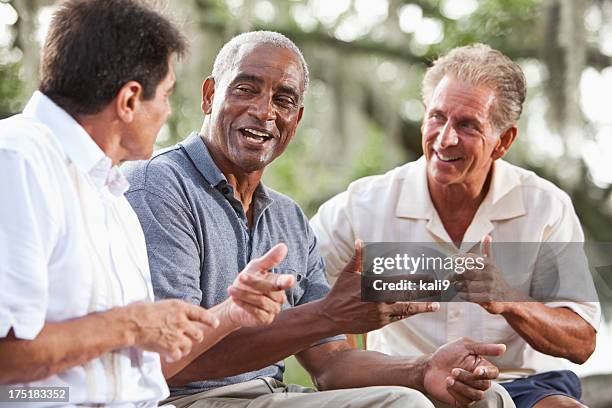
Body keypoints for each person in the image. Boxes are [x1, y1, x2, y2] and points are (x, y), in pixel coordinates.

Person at [123, 31, 515, 408]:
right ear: (210, 95)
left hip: (273, 394)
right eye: (246, 89)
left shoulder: (288, 217)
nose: (265, 111)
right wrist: (328, 314)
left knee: (487, 398)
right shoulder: (159, 184)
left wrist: (424, 369)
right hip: (188, 399)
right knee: (403, 404)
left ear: (297, 118)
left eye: (284, 99)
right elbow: (171, 360)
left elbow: (329, 364)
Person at [0, 1, 292, 405]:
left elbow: (148, 368)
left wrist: (230, 313)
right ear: (129, 100)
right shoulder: (17, 161)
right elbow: (7, 362)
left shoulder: (110, 193)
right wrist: (132, 324)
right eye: (167, 95)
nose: (169, 112)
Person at [311, 43, 600, 408]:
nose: (445, 138)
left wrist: (511, 300)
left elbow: (582, 341)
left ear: (504, 141)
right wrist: (338, 361)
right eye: (437, 117)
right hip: (404, 384)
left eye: (467, 125)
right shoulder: (363, 204)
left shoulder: (545, 206)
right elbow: (300, 290)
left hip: (519, 385)